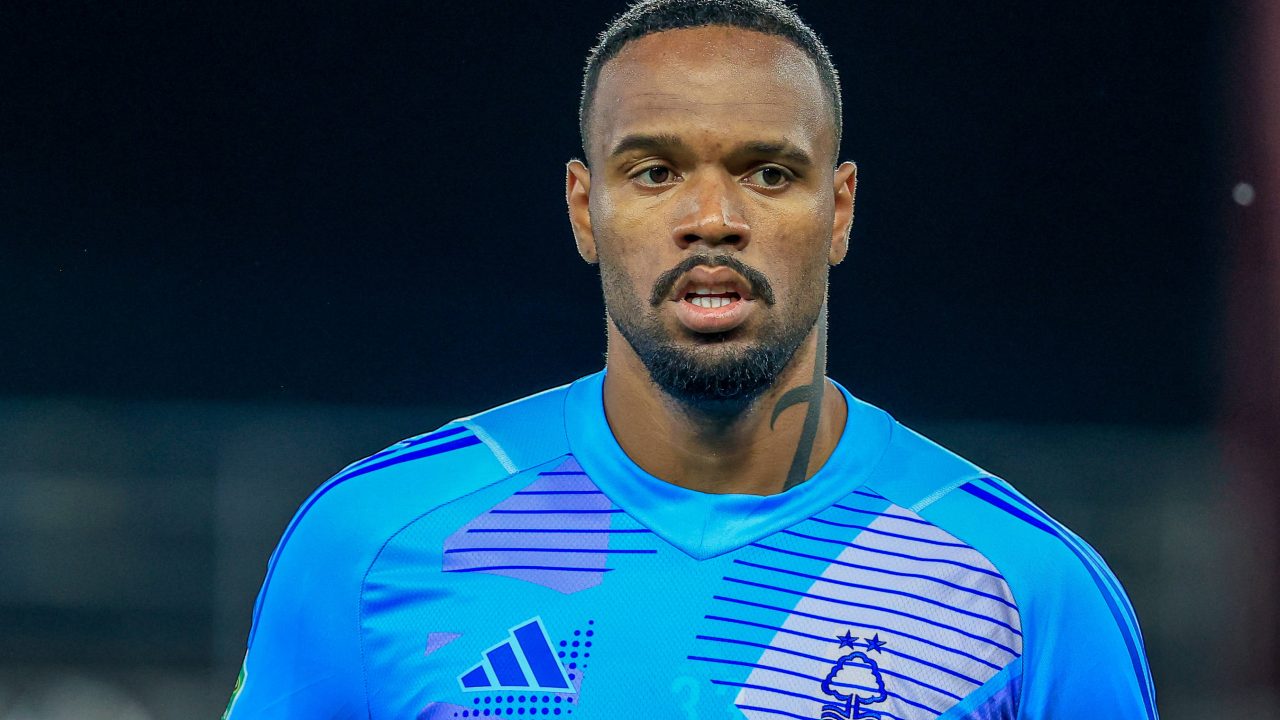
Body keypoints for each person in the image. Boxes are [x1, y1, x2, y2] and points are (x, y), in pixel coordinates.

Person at [223, 1, 1158, 717]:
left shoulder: (1024, 588)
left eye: (769, 173)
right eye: (656, 172)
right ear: (585, 209)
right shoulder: (369, 543)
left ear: (838, 211)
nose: (712, 219)